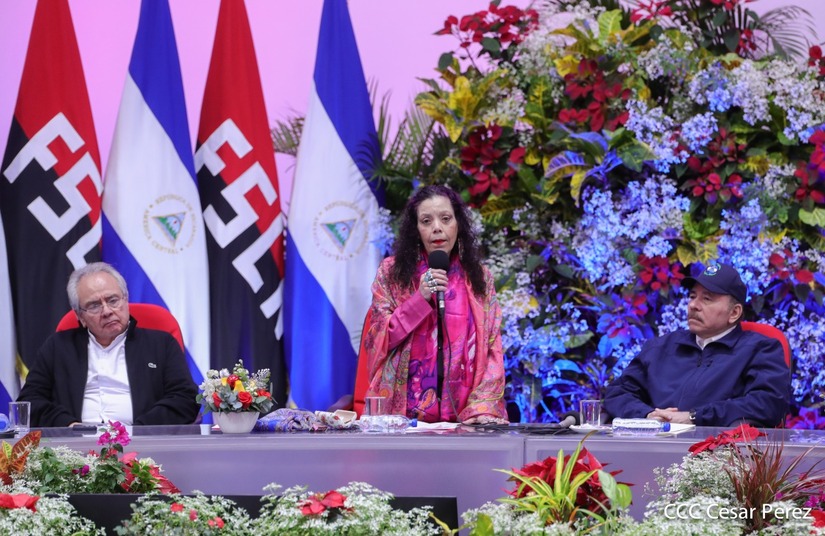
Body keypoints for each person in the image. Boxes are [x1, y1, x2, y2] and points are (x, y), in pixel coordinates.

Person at [363, 185, 508, 424]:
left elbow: (493, 350)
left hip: (465, 418)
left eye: (445, 218)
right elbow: (378, 341)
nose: (437, 227)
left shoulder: (479, 278)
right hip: (403, 420)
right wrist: (420, 299)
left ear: (458, 224)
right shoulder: (391, 273)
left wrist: (481, 409)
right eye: (426, 221)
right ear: (416, 229)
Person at [603, 263, 791, 427]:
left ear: (734, 313)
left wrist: (695, 417)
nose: (693, 305)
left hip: (717, 451)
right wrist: (647, 415)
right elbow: (618, 393)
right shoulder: (661, 347)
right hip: (651, 444)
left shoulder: (759, 349)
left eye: (706, 299)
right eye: (693, 296)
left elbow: (768, 403)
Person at [18, 262, 199, 427]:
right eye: (94, 305)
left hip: (143, 445)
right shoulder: (57, 347)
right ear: (80, 316)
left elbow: (185, 399)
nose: (107, 311)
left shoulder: (161, 344)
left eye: (113, 300)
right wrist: (69, 425)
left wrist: (139, 430)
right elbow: (30, 402)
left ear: (126, 300)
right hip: (75, 445)